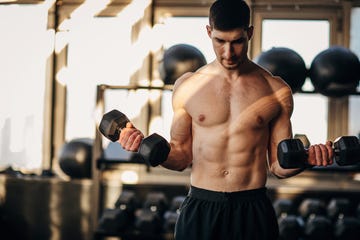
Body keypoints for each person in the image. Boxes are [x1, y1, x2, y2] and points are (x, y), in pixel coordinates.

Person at [118, 1, 334, 239]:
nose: (228, 53)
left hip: (252, 207)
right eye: (220, 41)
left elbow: (278, 166)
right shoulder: (188, 87)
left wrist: (307, 159)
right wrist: (143, 146)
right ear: (209, 32)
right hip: (201, 204)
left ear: (249, 33)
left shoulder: (276, 91)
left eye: (237, 42)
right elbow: (180, 157)